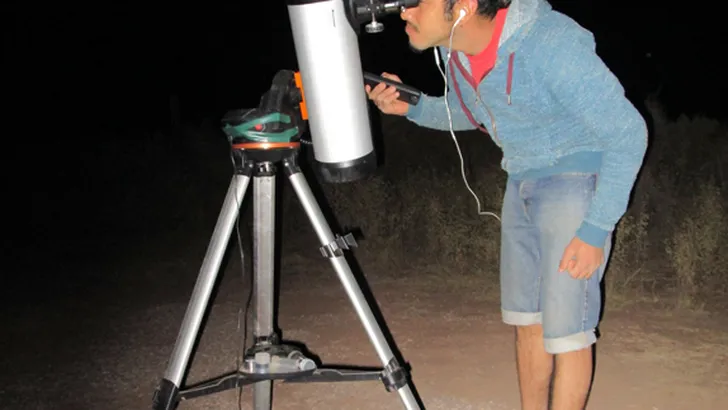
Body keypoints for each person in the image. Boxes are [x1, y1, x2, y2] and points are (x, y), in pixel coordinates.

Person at [365, 0, 648, 409]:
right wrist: (414, 107)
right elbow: (472, 112)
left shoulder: (548, 40)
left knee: (568, 333)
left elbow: (627, 132)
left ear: (463, 7)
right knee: (526, 322)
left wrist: (595, 229)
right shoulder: (457, 54)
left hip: (574, 184)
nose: (404, 12)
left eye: (417, 2)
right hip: (520, 182)